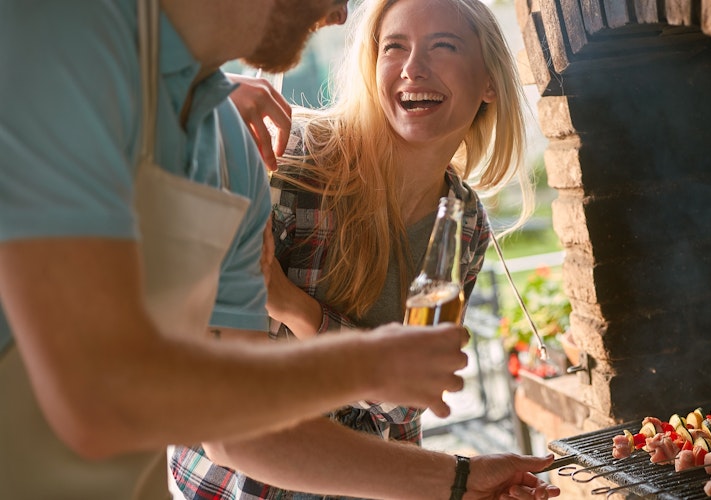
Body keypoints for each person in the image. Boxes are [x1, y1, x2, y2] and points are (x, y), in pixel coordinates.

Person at [0, 0, 480, 497]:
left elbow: (241, 434)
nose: (340, 14)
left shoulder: (229, 138)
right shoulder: (54, 31)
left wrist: (459, 480)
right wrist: (369, 364)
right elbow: (99, 402)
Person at [166, 0, 557, 499]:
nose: (414, 68)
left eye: (444, 45)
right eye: (394, 46)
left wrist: (295, 307)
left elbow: (406, 402)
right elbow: (236, 418)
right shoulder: (287, 161)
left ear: (490, 83)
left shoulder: (461, 221)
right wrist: (456, 480)